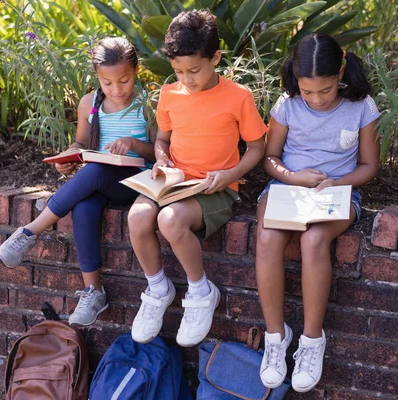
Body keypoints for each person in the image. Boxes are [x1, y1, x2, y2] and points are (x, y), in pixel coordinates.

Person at [128, 10, 266, 347]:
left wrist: (229, 176)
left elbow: (257, 148)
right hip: (173, 179)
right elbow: (162, 140)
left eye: (194, 70)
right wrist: (161, 160)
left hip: (215, 188)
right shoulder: (171, 94)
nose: (186, 79)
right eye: (178, 71)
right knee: (138, 216)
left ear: (215, 57)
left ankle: (201, 291)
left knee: (170, 221)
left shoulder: (238, 97)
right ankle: (158, 287)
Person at [0, 37, 155, 326]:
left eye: (125, 80)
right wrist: (68, 158)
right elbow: (81, 142)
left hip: (137, 182)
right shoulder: (88, 103)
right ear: (97, 78)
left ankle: (30, 232)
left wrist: (132, 142)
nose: (116, 89)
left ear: (136, 71)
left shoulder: (147, 103)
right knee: (84, 207)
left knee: (93, 173)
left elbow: (158, 151)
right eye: (107, 83)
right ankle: (94, 291)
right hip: (101, 179)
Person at [256, 33, 380, 393]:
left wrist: (337, 182)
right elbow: (269, 158)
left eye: (324, 90)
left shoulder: (361, 107)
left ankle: (311, 341)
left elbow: (370, 166)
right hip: (286, 188)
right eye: (307, 91)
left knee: (313, 241)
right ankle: (276, 337)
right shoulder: (287, 104)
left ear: (340, 71)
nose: (315, 99)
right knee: (266, 237)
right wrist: (293, 177)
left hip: (337, 193)